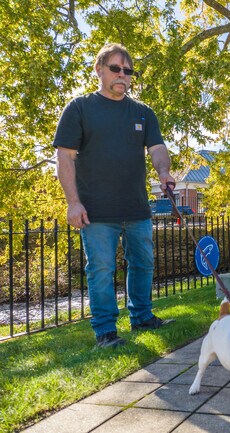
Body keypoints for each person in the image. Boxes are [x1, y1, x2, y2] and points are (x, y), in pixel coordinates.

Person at [53, 43, 175, 348]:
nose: (122, 75)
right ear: (99, 69)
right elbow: (64, 157)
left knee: (143, 264)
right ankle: (105, 331)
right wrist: (73, 202)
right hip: (95, 211)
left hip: (136, 208)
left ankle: (142, 317)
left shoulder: (143, 113)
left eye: (128, 70)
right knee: (101, 270)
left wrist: (163, 172)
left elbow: (158, 150)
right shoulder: (79, 108)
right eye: (115, 68)